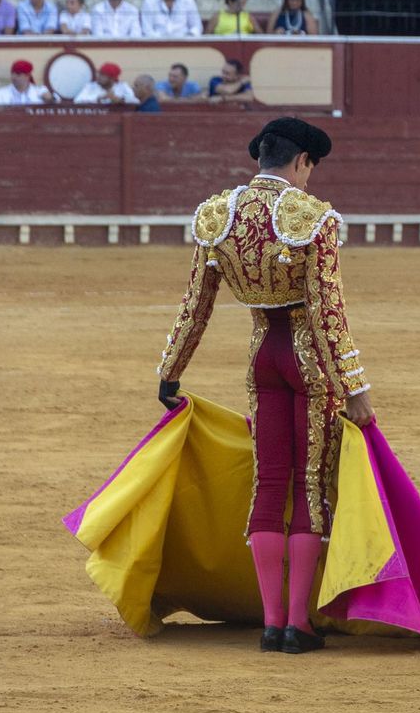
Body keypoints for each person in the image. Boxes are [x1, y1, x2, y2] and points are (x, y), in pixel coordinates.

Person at [154, 123, 399, 649]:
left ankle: (270, 625)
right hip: (308, 362)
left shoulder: (218, 216)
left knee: (269, 484)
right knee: (308, 486)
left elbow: (194, 306)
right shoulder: (312, 218)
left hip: (262, 357)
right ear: (302, 162)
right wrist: (355, 387)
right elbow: (328, 315)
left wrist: (170, 372)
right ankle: (299, 625)